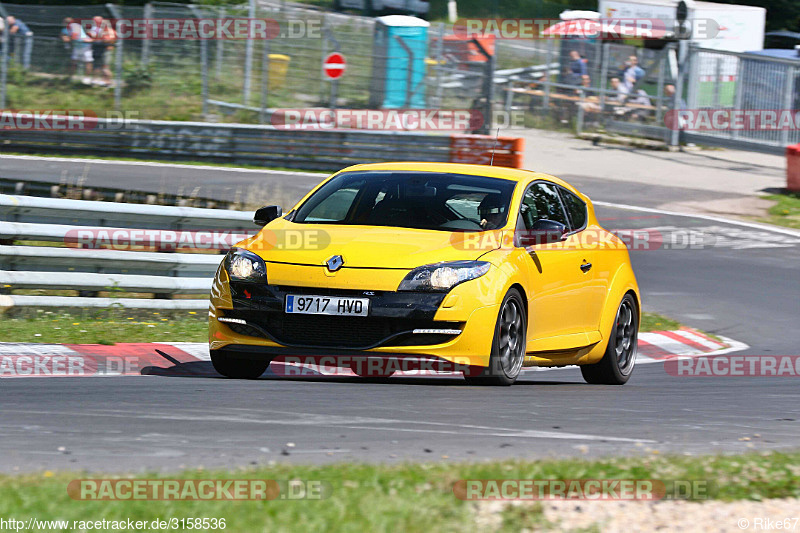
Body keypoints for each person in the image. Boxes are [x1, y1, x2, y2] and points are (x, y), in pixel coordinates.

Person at [61, 17, 93, 83]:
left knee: (88, 62)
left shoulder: (76, 27)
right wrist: (66, 38)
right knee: (73, 62)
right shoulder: (64, 30)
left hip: (86, 46)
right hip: (77, 47)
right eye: (66, 22)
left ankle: (87, 78)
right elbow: (65, 38)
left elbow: (77, 36)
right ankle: (70, 78)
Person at [88, 16, 116, 86]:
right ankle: (95, 80)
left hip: (105, 51)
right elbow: (90, 36)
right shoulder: (97, 30)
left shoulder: (110, 31)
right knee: (96, 66)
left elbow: (108, 40)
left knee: (105, 67)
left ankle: (108, 82)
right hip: (97, 50)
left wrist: (99, 39)